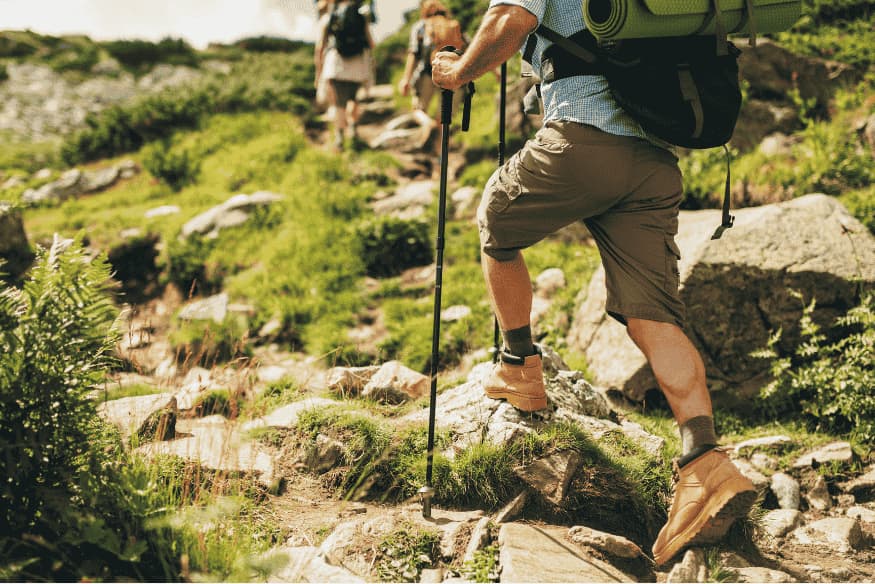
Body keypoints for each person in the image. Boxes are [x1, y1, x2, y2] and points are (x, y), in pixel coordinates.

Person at [430, 0, 757, 568]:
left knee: (496, 222)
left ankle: (519, 369)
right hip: (653, 161)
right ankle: (705, 461)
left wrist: (458, 73)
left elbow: (509, 21)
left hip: (583, 140)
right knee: (653, 315)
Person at [315, 0, 374, 150]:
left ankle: (340, 138)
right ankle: (353, 129)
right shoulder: (361, 15)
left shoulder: (329, 17)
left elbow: (320, 47)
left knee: (339, 103)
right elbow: (371, 43)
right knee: (353, 99)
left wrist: (318, 73)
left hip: (336, 64)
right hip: (356, 64)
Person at [398, 0, 466, 129]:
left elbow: (414, 53)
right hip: (451, 72)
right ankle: (438, 147)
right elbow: (469, 48)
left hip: (427, 72)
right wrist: (494, 71)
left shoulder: (421, 26)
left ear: (424, 11)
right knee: (444, 118)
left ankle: (429, 125)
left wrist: (406, 79)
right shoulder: (453, 25)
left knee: (418, 110)